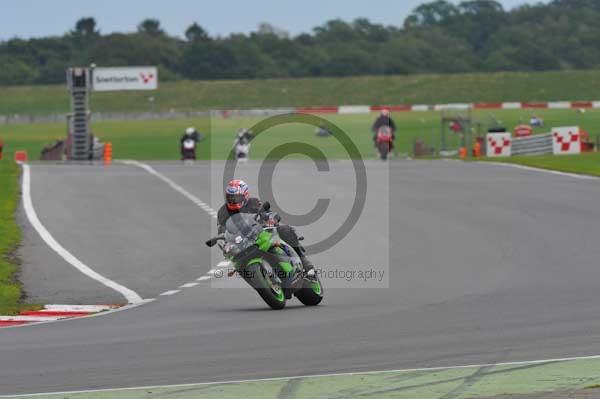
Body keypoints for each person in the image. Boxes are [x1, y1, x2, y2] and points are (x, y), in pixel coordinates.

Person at [217, 179, 316, 275]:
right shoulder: (223, 212)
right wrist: (224, 243)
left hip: (261, 232)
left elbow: (268, 213)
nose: (233, 200)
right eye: (230, 197)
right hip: (241, 242)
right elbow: (221, 232)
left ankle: (304, 261)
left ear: (245, 195)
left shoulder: (253, 202)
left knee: (285, 229)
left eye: (237, 197)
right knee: (235, 260)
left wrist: (271, 219)